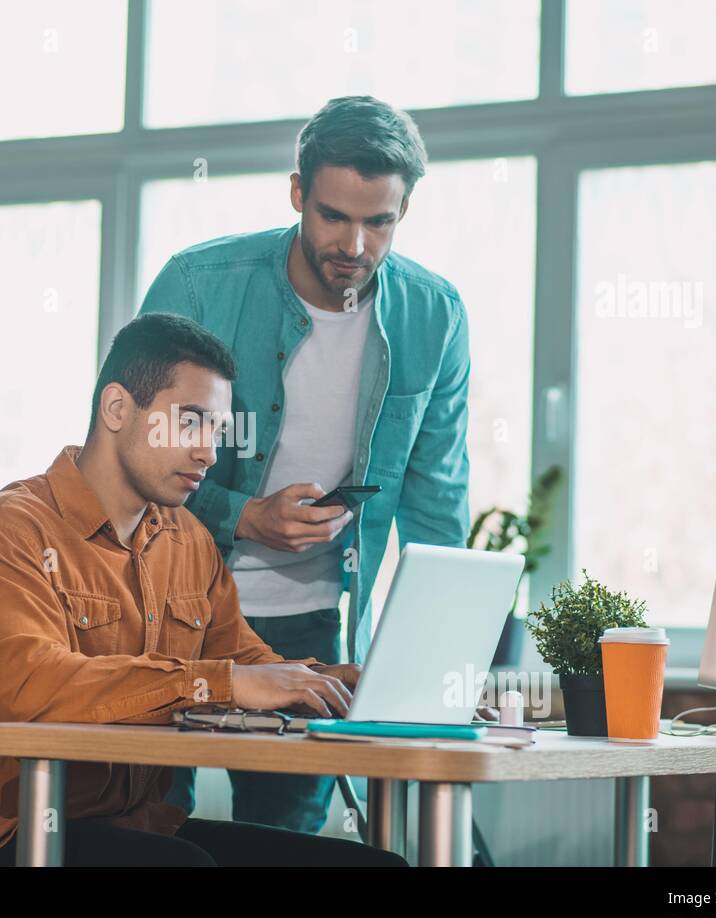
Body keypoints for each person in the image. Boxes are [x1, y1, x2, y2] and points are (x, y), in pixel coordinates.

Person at [0, 312, 407, 867]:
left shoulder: (189, 541)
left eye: (217, 434)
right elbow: (34, 691)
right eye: (192, 423)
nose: (209, 453)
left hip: (145, 828)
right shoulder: (3, 533)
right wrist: (226, 682)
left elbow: (244, 661)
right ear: (116, 409)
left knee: (375, 865)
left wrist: (333, 682)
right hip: (12, 838)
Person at [137, 95, 471, 835]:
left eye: (378, 221)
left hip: (314, 627)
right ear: (297, 193)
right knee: (147, 828)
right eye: (332, 216)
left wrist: (437, 659)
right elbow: (131, 461)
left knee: (284, 843)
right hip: (170, 614)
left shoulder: (435, 314)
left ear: (403, 210)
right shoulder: (199, 285)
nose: (354, 243)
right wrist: (244, 515)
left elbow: (436, 499)